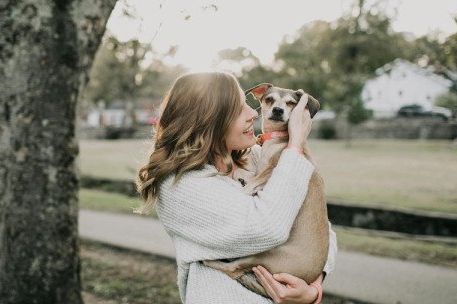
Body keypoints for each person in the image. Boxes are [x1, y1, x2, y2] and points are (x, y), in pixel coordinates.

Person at [135, 72, 337, 303]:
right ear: (209, 120)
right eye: (239, 109)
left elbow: (320, 228)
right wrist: (296, 145)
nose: (253, 113)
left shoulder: (254, 159)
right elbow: (267, 228)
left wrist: (312, 289)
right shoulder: (180, 186)